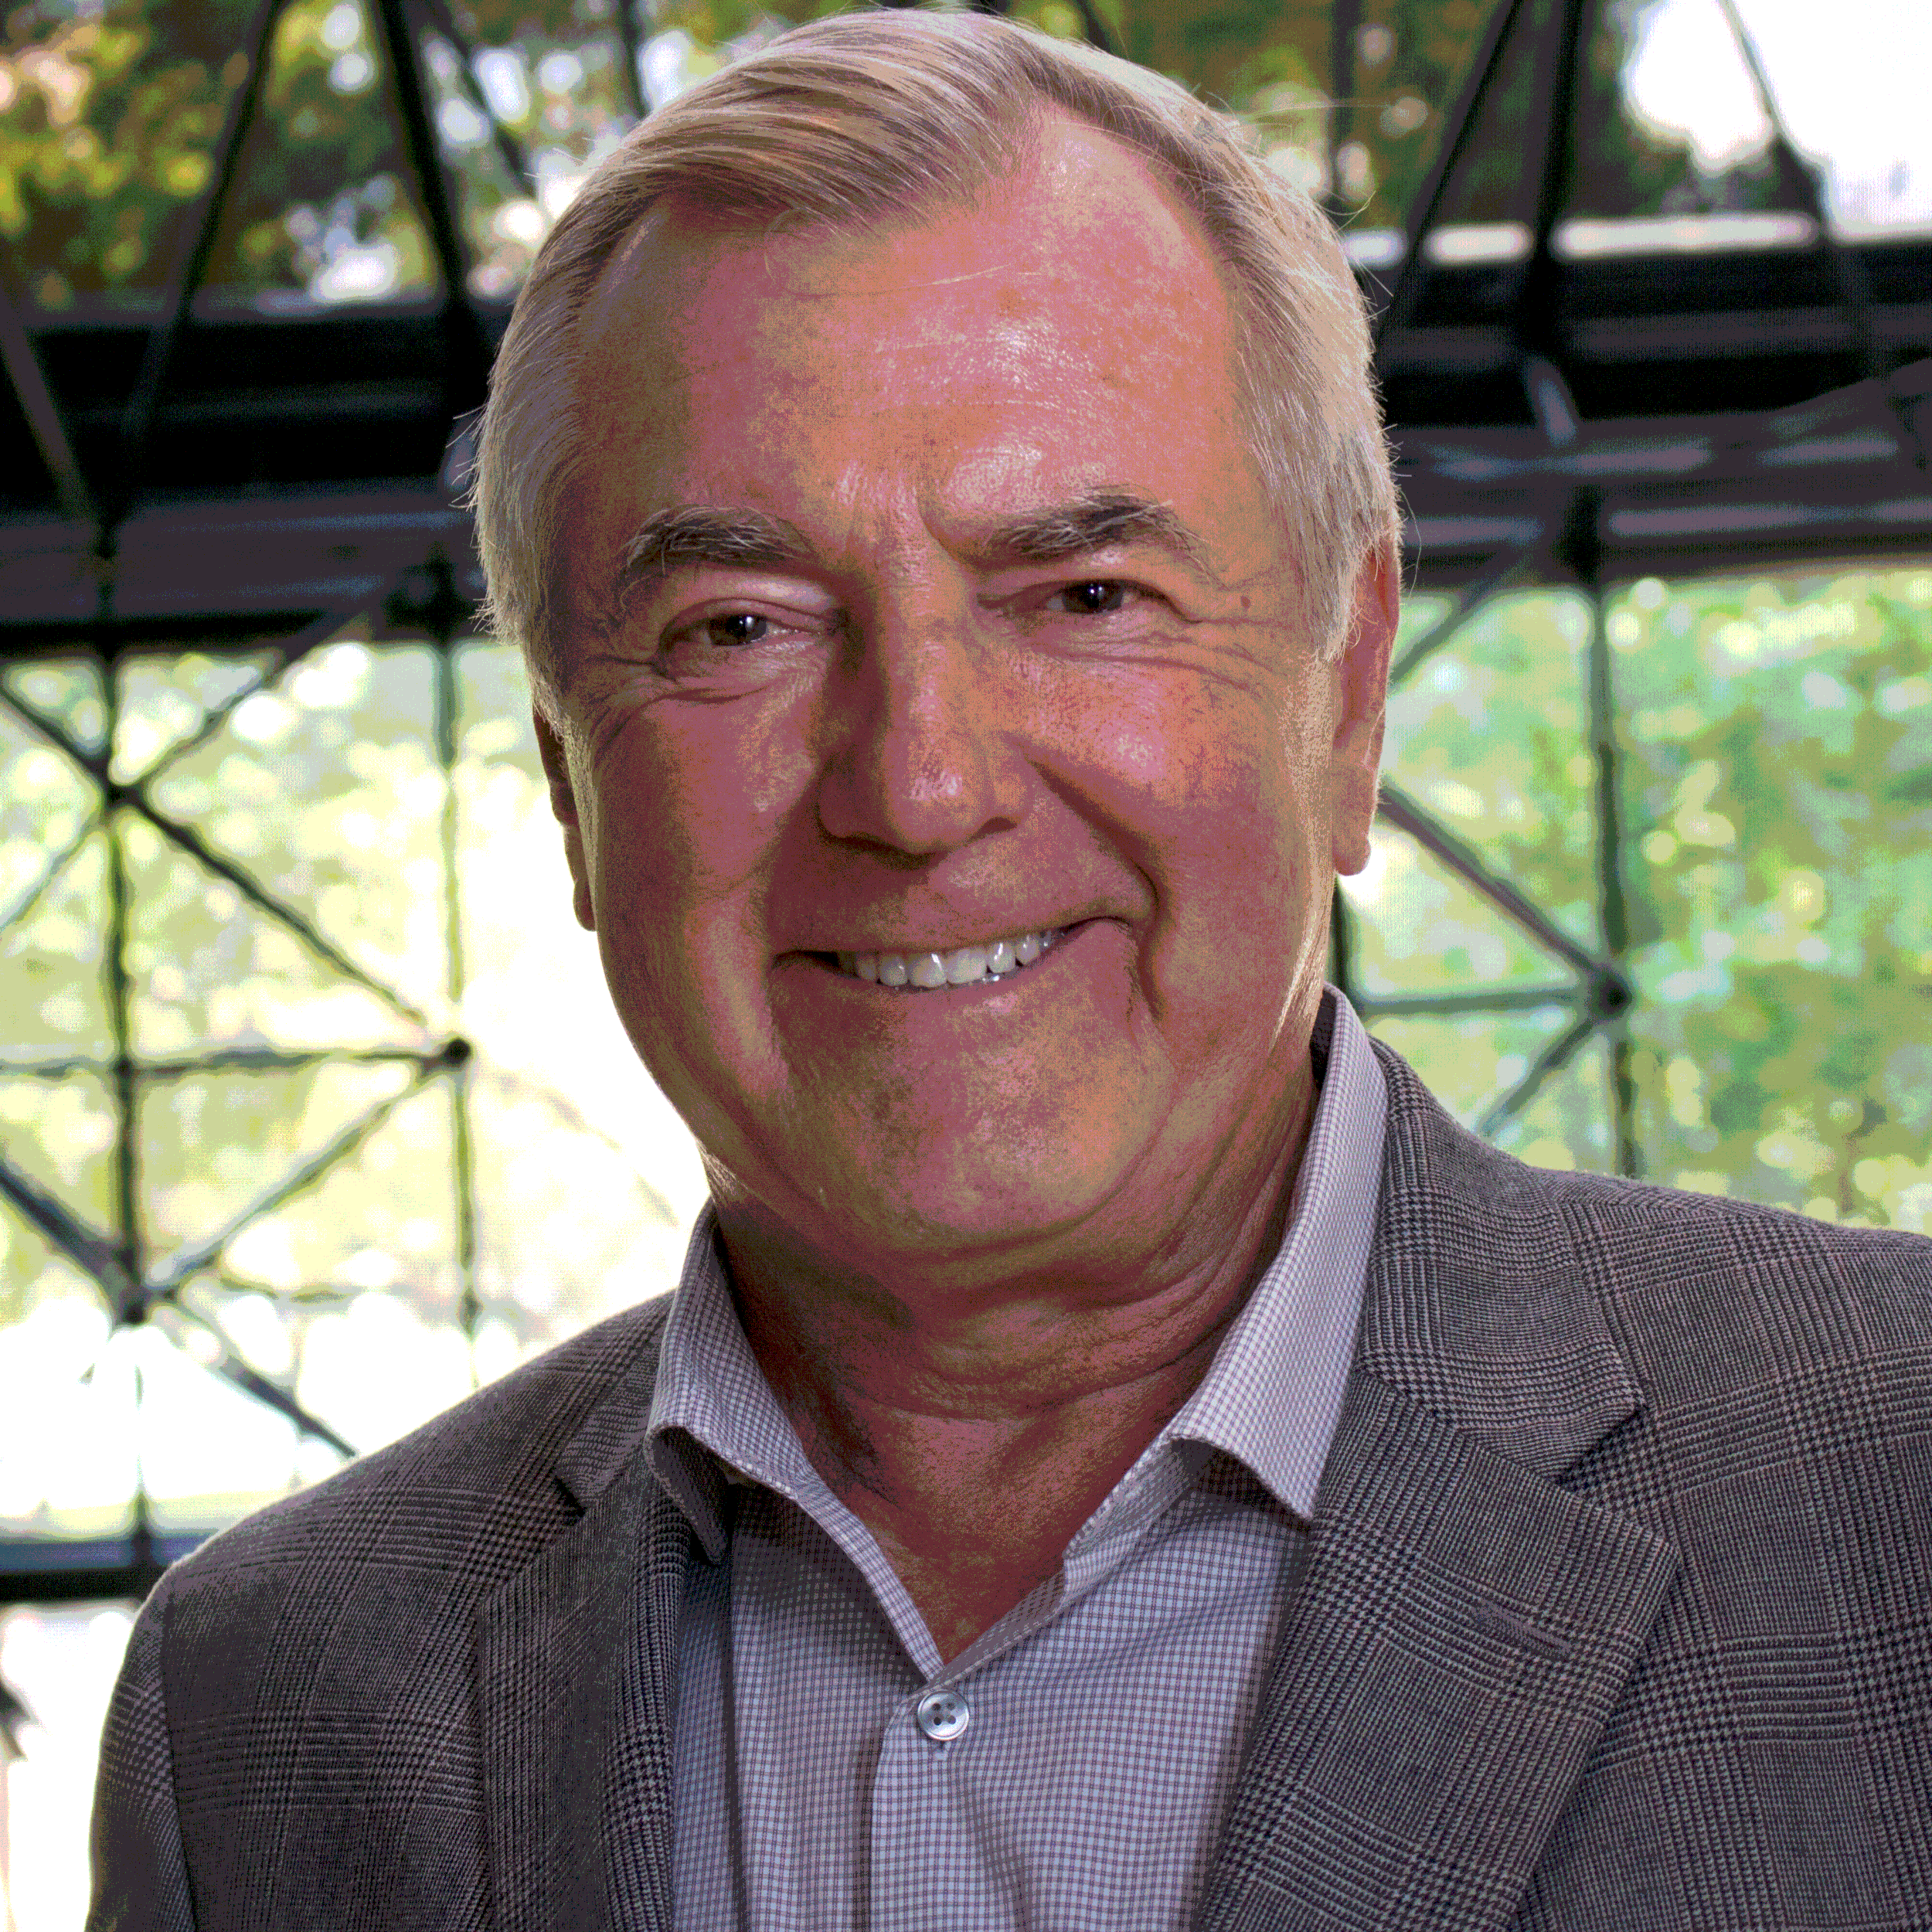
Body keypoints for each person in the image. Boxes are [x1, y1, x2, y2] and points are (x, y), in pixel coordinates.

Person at [90, 12, 1932, 1930]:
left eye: (1082, 596)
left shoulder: (1893, 1489)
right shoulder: (257, 1713)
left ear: (1345, 691)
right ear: (569, 776)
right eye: (738, 625)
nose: (917, 784)